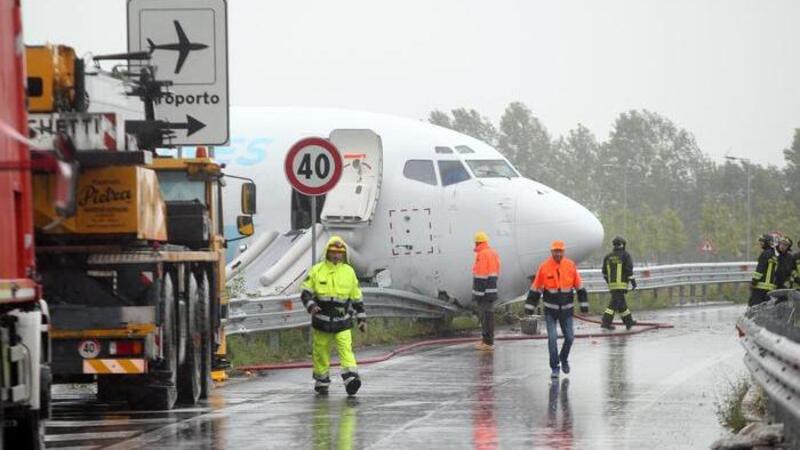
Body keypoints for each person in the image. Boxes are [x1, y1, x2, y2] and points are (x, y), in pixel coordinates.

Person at [300, 236, 367, 396]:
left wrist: (361, 319)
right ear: (327, 253)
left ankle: (351, 379)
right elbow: (305, 293)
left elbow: (357, 297)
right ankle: (322, 381)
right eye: (333, 252)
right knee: (320, 352)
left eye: (340, 253)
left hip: (342, 320)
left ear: (344, 254)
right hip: (321, 320)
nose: (336, 255)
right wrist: (311, 306)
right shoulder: (317, 270)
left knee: (346, 350)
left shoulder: (349, 272)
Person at [525, 240, 588, 378]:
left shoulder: (570, 265)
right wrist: (529, 307)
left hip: (566, 311)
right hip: (550, 311)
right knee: (552, 338)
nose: (558, 253)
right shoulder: (544, 267)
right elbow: (535, 288)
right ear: (552, 252)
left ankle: (563, 358)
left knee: (570, 338)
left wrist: (584, 305)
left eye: (560, 251)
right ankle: (555, 367)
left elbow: (579, 286)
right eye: (555, 251)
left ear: (563, 252)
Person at [472, 231, 501, 351]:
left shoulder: (482, 254)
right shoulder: (493, 253)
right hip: (492, 290)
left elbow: (481, 276)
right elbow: (496, 270)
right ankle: (488, 341)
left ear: (477, 242)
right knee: (489, 316)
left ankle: (487, 342)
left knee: (485, 316)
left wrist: (477, 294)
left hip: (484, 292)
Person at [601, 236, 637, 330]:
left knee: (621, 305)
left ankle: (629, 322)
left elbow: (604, 272)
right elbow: (629, 270)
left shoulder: (608, 256)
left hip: (612, 285)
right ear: (623, 245)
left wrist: (609, 282)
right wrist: (633, 282)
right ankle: (606, 323)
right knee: (613, 305)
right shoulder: (625, 255)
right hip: (621, 285)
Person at [749, 233, 778, 307]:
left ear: (767, 242)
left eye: (762, 241)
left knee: (753, 307)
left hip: (760, 287)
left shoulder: (765, 254)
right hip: (769, 288)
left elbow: (759, 270)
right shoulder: (773, 254)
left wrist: (753, 282)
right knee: (765, 308)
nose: (761, 243)